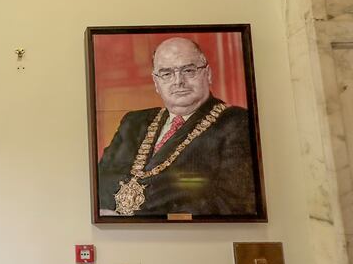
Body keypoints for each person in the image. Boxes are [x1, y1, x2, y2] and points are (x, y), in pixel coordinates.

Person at [97, 37, 257, 217]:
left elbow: (233, 203)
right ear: (156, 82)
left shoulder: (237, 122)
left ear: (208, 74)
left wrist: (137, 217)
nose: (178, 81)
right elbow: (101, 183)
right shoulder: (133, 122)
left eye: (188, 70)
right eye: (166, 74)